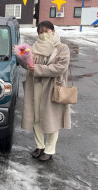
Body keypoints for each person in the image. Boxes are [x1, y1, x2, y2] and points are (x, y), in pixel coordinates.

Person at [21, 20, 71, 162]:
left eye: (46, 31)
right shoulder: (34, 47)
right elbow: (28, 66)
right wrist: (21, 57)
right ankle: (39, 146)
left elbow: (60, 68)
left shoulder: (62, 48)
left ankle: (49, 149)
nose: (43, 35)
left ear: (53, 31)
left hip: (52, 88)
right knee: (36, 118)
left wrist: (37, 69)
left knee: (51, 119)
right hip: (35, 87)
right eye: (41, 32)